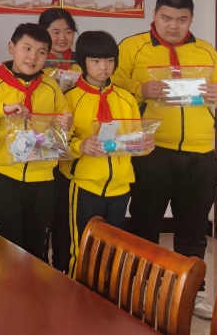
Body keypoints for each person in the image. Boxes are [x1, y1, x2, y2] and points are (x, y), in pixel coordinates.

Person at [113, 0, 217, 319]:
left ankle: (191, 293)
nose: (173, 25)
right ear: (154, 15)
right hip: (152, 152)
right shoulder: (132, 46)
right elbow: (111, 83)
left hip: (201, 154)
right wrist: (141, 89)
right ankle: (144, 289)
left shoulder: (205, 50)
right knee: (145, 224)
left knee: (193, 230)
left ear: (191, 20)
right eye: (166, 18)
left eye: (181, 19)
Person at [0, 23, 70, 261]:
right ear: (12, 47)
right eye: (27, 48)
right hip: (2, 175)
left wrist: (66, 124)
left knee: (38, 247)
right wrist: (1, 109)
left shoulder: (51, 87)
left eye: (41, 52)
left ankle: (34, 285)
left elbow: (62, 126)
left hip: (43, 177)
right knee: (4, 247)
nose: (33, 57)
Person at [61, 31, 153, 275]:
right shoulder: (70, 98)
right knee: (83, 247)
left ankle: (106, 292)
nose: (104, 67)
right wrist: (80, 146)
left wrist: (144, 144)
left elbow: (133, 139)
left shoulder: (126, 99)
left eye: (110, 60)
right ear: (83, 61)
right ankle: (78, 291)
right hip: (85, 184)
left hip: (120, 186)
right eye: (96, 61)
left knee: (113, 249)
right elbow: (58, 142)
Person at [38, 7, 79, 272]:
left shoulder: (82, 64)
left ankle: (63, 265)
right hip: (40, 149)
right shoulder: (34, 64)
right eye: (55, 32)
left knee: (66, 213)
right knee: (44, 213)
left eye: (68, 32)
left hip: (73, 147)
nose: (62, 38)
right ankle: (41, 265)